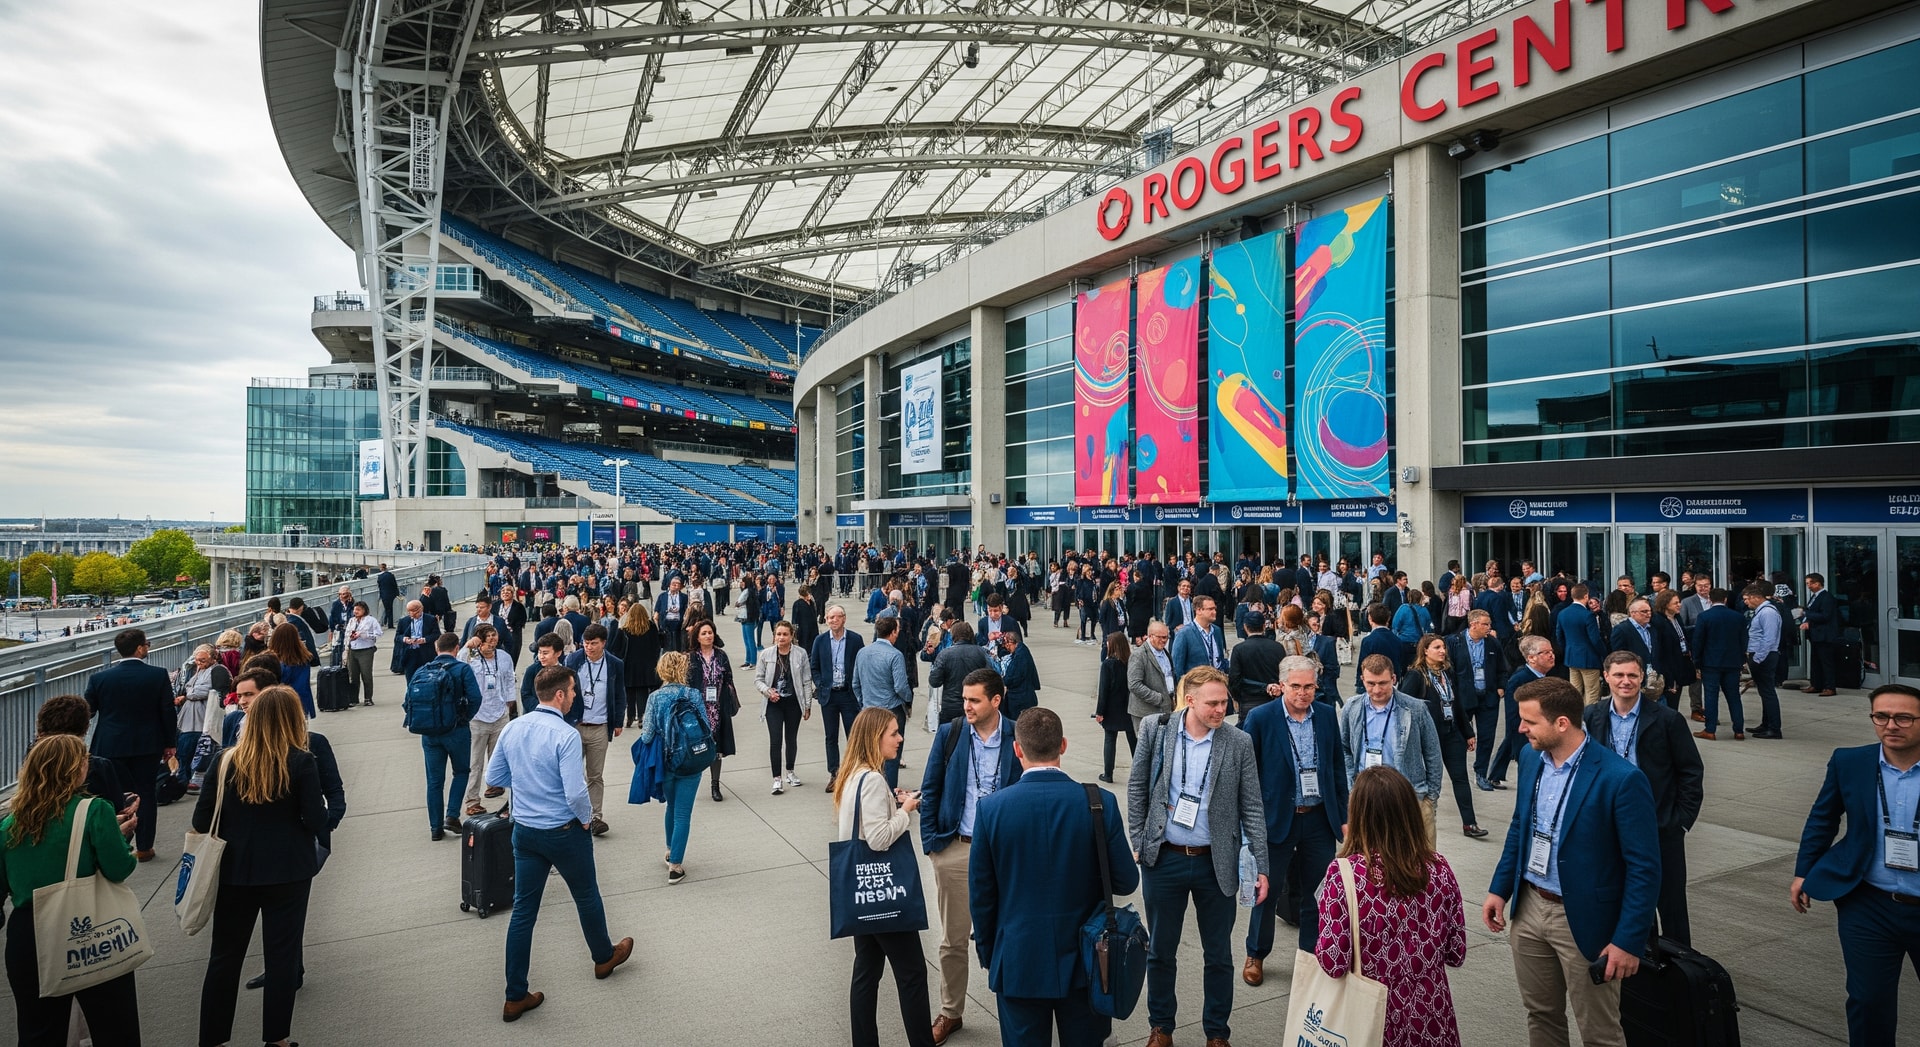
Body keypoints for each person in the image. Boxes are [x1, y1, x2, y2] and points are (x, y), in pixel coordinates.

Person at [1482, 677, 1661, 1047]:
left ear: (1561, 723)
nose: (1520, 728)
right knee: (1541, 1016)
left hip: (1584, 921)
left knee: (1599, 1032)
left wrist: (1628, 940)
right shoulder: (1532, 757)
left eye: (1529, 721)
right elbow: (1521, 826)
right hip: (1529, 907)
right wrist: (1499, 888)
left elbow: (1645, 868)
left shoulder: (1622, 779)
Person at [970, 706, 1138, 1047]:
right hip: (1087, 960)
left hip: (1018, 959)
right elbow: (1126, 881)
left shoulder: (992, 809)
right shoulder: (1099, 803)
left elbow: (981, 895)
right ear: (1063, 745)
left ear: (1017, 749)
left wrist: (991, 953)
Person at [1128, 666, 1269, 1046]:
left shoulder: (1238, 742)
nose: (1221, 709)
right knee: (1160, 951)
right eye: (1213, 703)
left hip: (1215, 862)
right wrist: (1139, 841)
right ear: (1189, 700)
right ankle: (1161, 1027)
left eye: (1224, 702)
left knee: (1220, 955)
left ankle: (1217, 1033)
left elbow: (1252, 806)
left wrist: (1260, 866)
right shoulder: (1156, 732)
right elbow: (1137, 785)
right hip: (1164, 858)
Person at [486, 664, 634, 1022]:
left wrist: (526, 785)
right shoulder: (565, 735)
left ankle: (515, 995)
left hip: (525, 832)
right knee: (586, 895)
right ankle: (603, 957)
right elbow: (575, 792)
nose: (575, 697)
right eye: (572, 691)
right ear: (560, 695)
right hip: (563, 831)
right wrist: (586, 820)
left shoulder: (513, 727)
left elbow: (494, 777)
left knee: (523, 912)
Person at [195, 686, 330, 1047]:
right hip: (288, 871)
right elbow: (316, 819)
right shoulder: (300, 761)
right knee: (282, 956)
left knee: (224, 956)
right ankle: (276, 1038)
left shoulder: (224, 761)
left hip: (234, 871)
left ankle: (213, 1038)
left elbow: (200, 818)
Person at [1790, 683, 1920, 1047]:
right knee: (1868, 1003)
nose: (1891, 725)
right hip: (1869, 903)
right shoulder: (1850, 762)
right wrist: (1804, 871)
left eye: (1904, 717)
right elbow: (1822, 819)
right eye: (1882, 716)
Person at [2, 734, 143, 1047]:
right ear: (77, 768)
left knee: (38, 1030)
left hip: (30, 933)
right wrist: (119, 837)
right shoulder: (95, 810)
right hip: (90, 927)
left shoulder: (8, 824)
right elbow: (119, 868)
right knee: (115, 1028)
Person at [1314, 766, 1468, 1047]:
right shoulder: (1439, 868)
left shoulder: (1345, 875)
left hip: (1371, 1020)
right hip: (1431, 1016)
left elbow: (1333, 961)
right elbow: (1456, 952)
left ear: (1359, 815)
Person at [918, 670, 1022, 1046]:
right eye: (964, 699)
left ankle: (1016, 1011)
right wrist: (933, 845)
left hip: (1004, 855)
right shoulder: (951, 733)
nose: (967, 706)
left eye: (975, 700)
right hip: (956, 849)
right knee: (952, 939)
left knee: (1009, 936)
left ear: (996, 700)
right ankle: (951, 1011)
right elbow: (930, 787)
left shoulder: (1017, 735)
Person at [1583, 650, 1704, 946]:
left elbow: (1691, 771)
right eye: (1619, 675)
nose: (1626, 681)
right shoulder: (1591, 716)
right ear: (1606, 676)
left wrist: (1680, 822)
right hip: (1611, 827)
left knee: (1671, 903)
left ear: (1642, 678)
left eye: (1632, 675)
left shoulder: (1667, 720)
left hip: (1659, 826)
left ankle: (1681, 970)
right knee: (1631, 902)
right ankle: (1642, 967)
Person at [834, 708, 937, 1047]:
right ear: (875, 737)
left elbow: (862, 828)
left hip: (862, 892)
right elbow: (878, 839)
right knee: (912, 975)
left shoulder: (852, 775)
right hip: (884, 895)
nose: (900, 738)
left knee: (866, 972)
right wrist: (906, 812)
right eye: (893, 733)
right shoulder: (874, 779)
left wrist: (895, 804)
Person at [1240, 656, 1341, 988]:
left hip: (1318, 820)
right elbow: (1247, 776)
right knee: (1266, 892)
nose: (1302, 693)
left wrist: (1345, 818)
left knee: (1317, 893)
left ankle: (1309, 957)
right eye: (1295, 686)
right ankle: (1256, 953)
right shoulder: (1260, 718)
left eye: (1309, 686)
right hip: (1276, 820)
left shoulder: (1326, 716)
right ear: (1281, 685)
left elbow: (1337, 769)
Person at [84, 627, 175, 861]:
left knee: (112, 795)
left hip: (110, 745)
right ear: (139, 648)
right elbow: (167, 711)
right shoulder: (158, 675)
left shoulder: (99, 678)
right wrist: (169, 743)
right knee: (146, 792)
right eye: (147, 644)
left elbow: (88, 711)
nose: (148, 647)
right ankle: (144, 847)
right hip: (148, 744)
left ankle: (115, 847)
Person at [1339, 655, 1443, 842]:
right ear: (1362, 680)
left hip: (1409, 797)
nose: (1377, 690)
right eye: (1371, 683)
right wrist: (1351, 785)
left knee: (1417, 862)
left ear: (1394, 679)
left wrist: (1430, 798)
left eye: (1383, 683)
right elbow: (1344, 747)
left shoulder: (1415, 708)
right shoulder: (1352, 708)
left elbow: (1433, 753)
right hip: (1365, 797)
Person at [1399, 634, 1489, 838]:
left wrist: (1468, 732)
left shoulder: (1447, 672)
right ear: (1425, 651)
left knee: (1461, 778)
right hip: (1428, 738)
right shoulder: (1416, 675)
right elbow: (1404, 705)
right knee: (1428, 782)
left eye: (1443, 647)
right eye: (1437, 647)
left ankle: (1470, 823)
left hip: (1452, 733)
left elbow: (1457, 704)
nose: (1443, 651)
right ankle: (1418, 822)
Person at [638, 652, 704, 884]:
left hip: (665, 762)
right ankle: (676, 865)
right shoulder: (693, 694)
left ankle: (669, 851)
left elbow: (647, 735)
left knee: (671, 808)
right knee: (683, 813)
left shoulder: (655, 698)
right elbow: (705, 725)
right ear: (684, 669)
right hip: (690, 761)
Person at [411, 632, 480, 841]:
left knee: (434, 781)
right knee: (461, 772)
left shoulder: (422, 670)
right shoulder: (462, 669)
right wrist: (464, 717)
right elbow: (476, 698)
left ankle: (435, 828)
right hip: (456, 730)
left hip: (430, 733)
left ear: (436, 647)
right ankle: (451, 815)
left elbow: (408, 702)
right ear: (457, 648)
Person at [564, 624, 626, 834]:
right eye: (586, 643)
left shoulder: (614, 664)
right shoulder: (573, 660)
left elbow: (619, 694)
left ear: (603, 643)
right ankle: (571, 814)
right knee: (571, 773)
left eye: (594, 643)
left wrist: (618, 721)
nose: (589, 647)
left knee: (595, 775)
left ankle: (595, 817)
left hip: (600, 726)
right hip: (576, 725)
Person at [458, 624, 518, 817]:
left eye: (494, 635)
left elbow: (509, 679)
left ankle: (494, 785)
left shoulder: (504, 657)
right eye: (488, 637)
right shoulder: (472, 657)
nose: (492, 640)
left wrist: (510, 702)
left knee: (499, 756)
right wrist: (468, 646)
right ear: (479, 640)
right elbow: (459, 663)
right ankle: (472, 801)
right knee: (475, 762)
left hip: (500, 713)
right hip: (477, 716)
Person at [1447, 611, 1508, 789]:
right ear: (1473, 624)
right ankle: (1459, 775)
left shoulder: (1492, 643)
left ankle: (1481, 773)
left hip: (1488, 697)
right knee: (1460, 737)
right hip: (1463, 698)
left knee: (1487, 737)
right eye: (1485, 624)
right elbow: (1448, 669)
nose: (1489, 628)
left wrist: (1500, 687)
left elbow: (1502, 668)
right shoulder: (1454, 642)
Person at [853, 616, 914, 788]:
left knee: (871, 754)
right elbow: (901, 686)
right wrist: (908, 700)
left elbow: (855, 684)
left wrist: (864, 703)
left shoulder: (862, 652)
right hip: (891, 710)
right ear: (893, 632)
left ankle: (871, 790)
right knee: (892, 756)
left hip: (869, 710)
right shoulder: (895, 655)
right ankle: (889, 793)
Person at [754, 620, 814, 794]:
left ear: (791, 636)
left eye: (785, 634)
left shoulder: (800, 654)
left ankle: (790, 771)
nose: (781, 637)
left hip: (793, 703)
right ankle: (776, 778)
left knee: (791, 739)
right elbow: (758, 679)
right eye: (778, 634)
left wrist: (807, 705)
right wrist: (767, 691)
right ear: (774, 636)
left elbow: (806, 680)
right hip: (773, 704)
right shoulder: (766, 655)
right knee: (775, 740)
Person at [1489, 635, 1555, 789]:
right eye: (1546, 652)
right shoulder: (1520, 679)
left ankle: (1494, 775)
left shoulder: (1545, 676)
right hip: (1525, 733)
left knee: (1508, 743)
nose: (1551, 655)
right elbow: (1513, 715)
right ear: (1531, 658)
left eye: (1551, 651)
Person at [687, 620, 741, 802]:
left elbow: (729, 678)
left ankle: (715, 785)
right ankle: (691, 784)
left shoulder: (721, 655)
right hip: (698, 710)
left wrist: (728, 695)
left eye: (710, 632)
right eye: (704, 633)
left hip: (718, 708)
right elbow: (686, 682)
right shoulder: (691, 657)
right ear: (697, 636)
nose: (708, 636)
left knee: (717, 749)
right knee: (697, 748)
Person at [811, 605, 865, 790]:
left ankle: (854, 771)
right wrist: (820, 684)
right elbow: (814, 666)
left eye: (835, 617)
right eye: (829, 618)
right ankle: (834, 773)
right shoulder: (820, 641)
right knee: (831, 736)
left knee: (853, 735)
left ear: (844, 618)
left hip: (848, 695)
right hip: (829, 696)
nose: (832, 620)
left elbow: (861, 663)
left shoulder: (855, 640)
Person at [1692, 589, 1748, 741]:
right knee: (1734, 696)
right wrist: (1742, 659)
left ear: (1710, 599)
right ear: (1725, 599)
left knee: (1711, 695)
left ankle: (1710, 730)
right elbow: (1744, 640)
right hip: (1733, 662)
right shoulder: (1738, 617)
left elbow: (1698, 641)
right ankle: (1739, 730)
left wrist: (1696, 661)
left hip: (1711, 662)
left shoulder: (1704, 617)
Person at [173, 643, 232, 788]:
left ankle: (187, 780)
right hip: (192, 717)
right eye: (197, 660)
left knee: (191, 748)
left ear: (213, 658)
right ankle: (185, 779)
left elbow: (202, 691)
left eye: (202, 660)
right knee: (186, 750)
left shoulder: (217, 671)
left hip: (201, 718)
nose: (199, 663)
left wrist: (188, 695)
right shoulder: (198, 670)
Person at [1227, 609, 1286, 724]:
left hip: (1249, 701)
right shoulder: (1277, 647)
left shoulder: (1239, 649)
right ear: (1264, 626)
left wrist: (1237, 698)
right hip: (1274, 700)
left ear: (1245, 627)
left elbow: (1234, 680)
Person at [928, 621, 992, 726]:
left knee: (950, 738)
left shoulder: (945, 655)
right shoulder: (981, 653)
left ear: (953, 636)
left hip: (951, 706)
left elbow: (934, 681)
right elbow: (990, 678)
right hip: (975, 703)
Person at [1744, 583, 1786, 739]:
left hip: (1765, 656)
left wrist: (1757, 659)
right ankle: (1766, 724)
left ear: (1756, 597)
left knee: (1768, 692)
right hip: (1760, 655)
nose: (1746, 602)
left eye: (1747, 599)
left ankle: (1774, 728)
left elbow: (1769, 638)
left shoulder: (1768, 613)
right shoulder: (1760, 612)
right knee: (1764, 691)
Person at [610, 602, 662, 729]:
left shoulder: (625, 629)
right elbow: (657, 645)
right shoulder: (650, 627)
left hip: (629, 665)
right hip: (646, 665)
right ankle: (642, 716)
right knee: (643, 691)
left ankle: (630, 716)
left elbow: (615, 648)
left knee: (629, 691)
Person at [1095, 631, 1136, 783]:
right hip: (1129, 707)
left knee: (1110, 740)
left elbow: (1103, 690)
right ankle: (1139, 772)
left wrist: (1100, 711)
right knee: (1134, 741)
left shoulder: (1108, 664)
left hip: (1112, 708)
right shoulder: (1131, 661)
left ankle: (1108, 773)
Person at [1556, 585, 1606, 705]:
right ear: (1586, 596)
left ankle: (1575, 718)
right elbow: (1595, 639)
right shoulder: (1588, 615)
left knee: (1575, 691)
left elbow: (1559, 636)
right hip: (1589, 658)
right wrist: (1604, 653)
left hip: (1571, 657)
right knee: (1592, 692)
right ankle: (1589, 719)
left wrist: (1566, 650)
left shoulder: (1562, 613)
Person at [1128, 619, 1177, 734]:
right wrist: (1157, 698)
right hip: (1145, 713)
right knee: (1148, 749)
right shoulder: (1139, 655)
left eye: (1166, 637)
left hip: (1165, 709)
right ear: (1150, 636)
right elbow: (1134, 685)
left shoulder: (1165, 652)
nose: (1164, 641)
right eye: (1161, 637)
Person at [1169, 594, 1228, 681]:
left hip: (1216, 683)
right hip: (1196, 686)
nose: (1214, 612)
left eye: (1215, 609)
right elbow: (1177, 666)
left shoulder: (1217, 631)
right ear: (1199, 610)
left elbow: (1220, 659)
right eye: (1210, 609)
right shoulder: (1184, 633)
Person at [1801, 573, 1841, 697]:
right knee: (1816, 661)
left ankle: (1830, 686)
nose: (1808, 586)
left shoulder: (1827, 597)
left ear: (1817, 583)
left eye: (1809, 583)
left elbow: (1825, 616)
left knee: (1826, 661)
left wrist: (1806, 614)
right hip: (1815, 634)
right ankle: (1816, 684)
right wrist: (1807, 620)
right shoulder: (1814, 597)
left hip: (1825, 635)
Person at [993, 628, 1042, 722]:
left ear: (1011, 642)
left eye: (1007, 644)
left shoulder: (1020, 655)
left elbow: (1012, 676)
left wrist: (1004, 680)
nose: (1006, 647)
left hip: (1020, 699)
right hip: (1023, 696)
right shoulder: (1021, 651)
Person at [1356, 604, 1407, 690]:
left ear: (1370, 619)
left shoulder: (1368, 640)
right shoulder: (1397, 640)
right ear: (1388, 619)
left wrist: (1360, 682)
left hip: (1373, 681)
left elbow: (1362, 663)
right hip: (1391, 681)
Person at [342, 600, 382, 706]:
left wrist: (364, 634)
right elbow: (346, 634)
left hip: (366, 650)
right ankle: (353, 698)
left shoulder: (371, 620)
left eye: (358, 610)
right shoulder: (352, 621)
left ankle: (368, 698)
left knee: (366, 674)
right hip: (353, 649)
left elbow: (378, 633)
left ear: (364, 610)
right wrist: (348, 644)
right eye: (355, 610)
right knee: (353, 675)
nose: (356, 612)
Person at [392, 599, 441, 680]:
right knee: (410, 679)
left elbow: (436, 634)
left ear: (421, 609)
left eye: (413, 611)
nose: (411, 613)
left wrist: (424, 640)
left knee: (428, 678)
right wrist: (405, 639)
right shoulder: (403, 621)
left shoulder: (431, 619)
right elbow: (397, 636)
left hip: (426, 654)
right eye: (409, 611)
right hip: (410, 653)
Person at [655, 576, 691, 653]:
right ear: (669, 584)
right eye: (674, 584)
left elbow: (688, 612)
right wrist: (658, 627)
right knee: (666, 651)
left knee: (678, 650)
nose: (676, 586)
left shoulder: (684, 597)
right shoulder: (662, 596)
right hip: (665, 626)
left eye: (678, 584)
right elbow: (656, 613)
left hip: (679, 626)